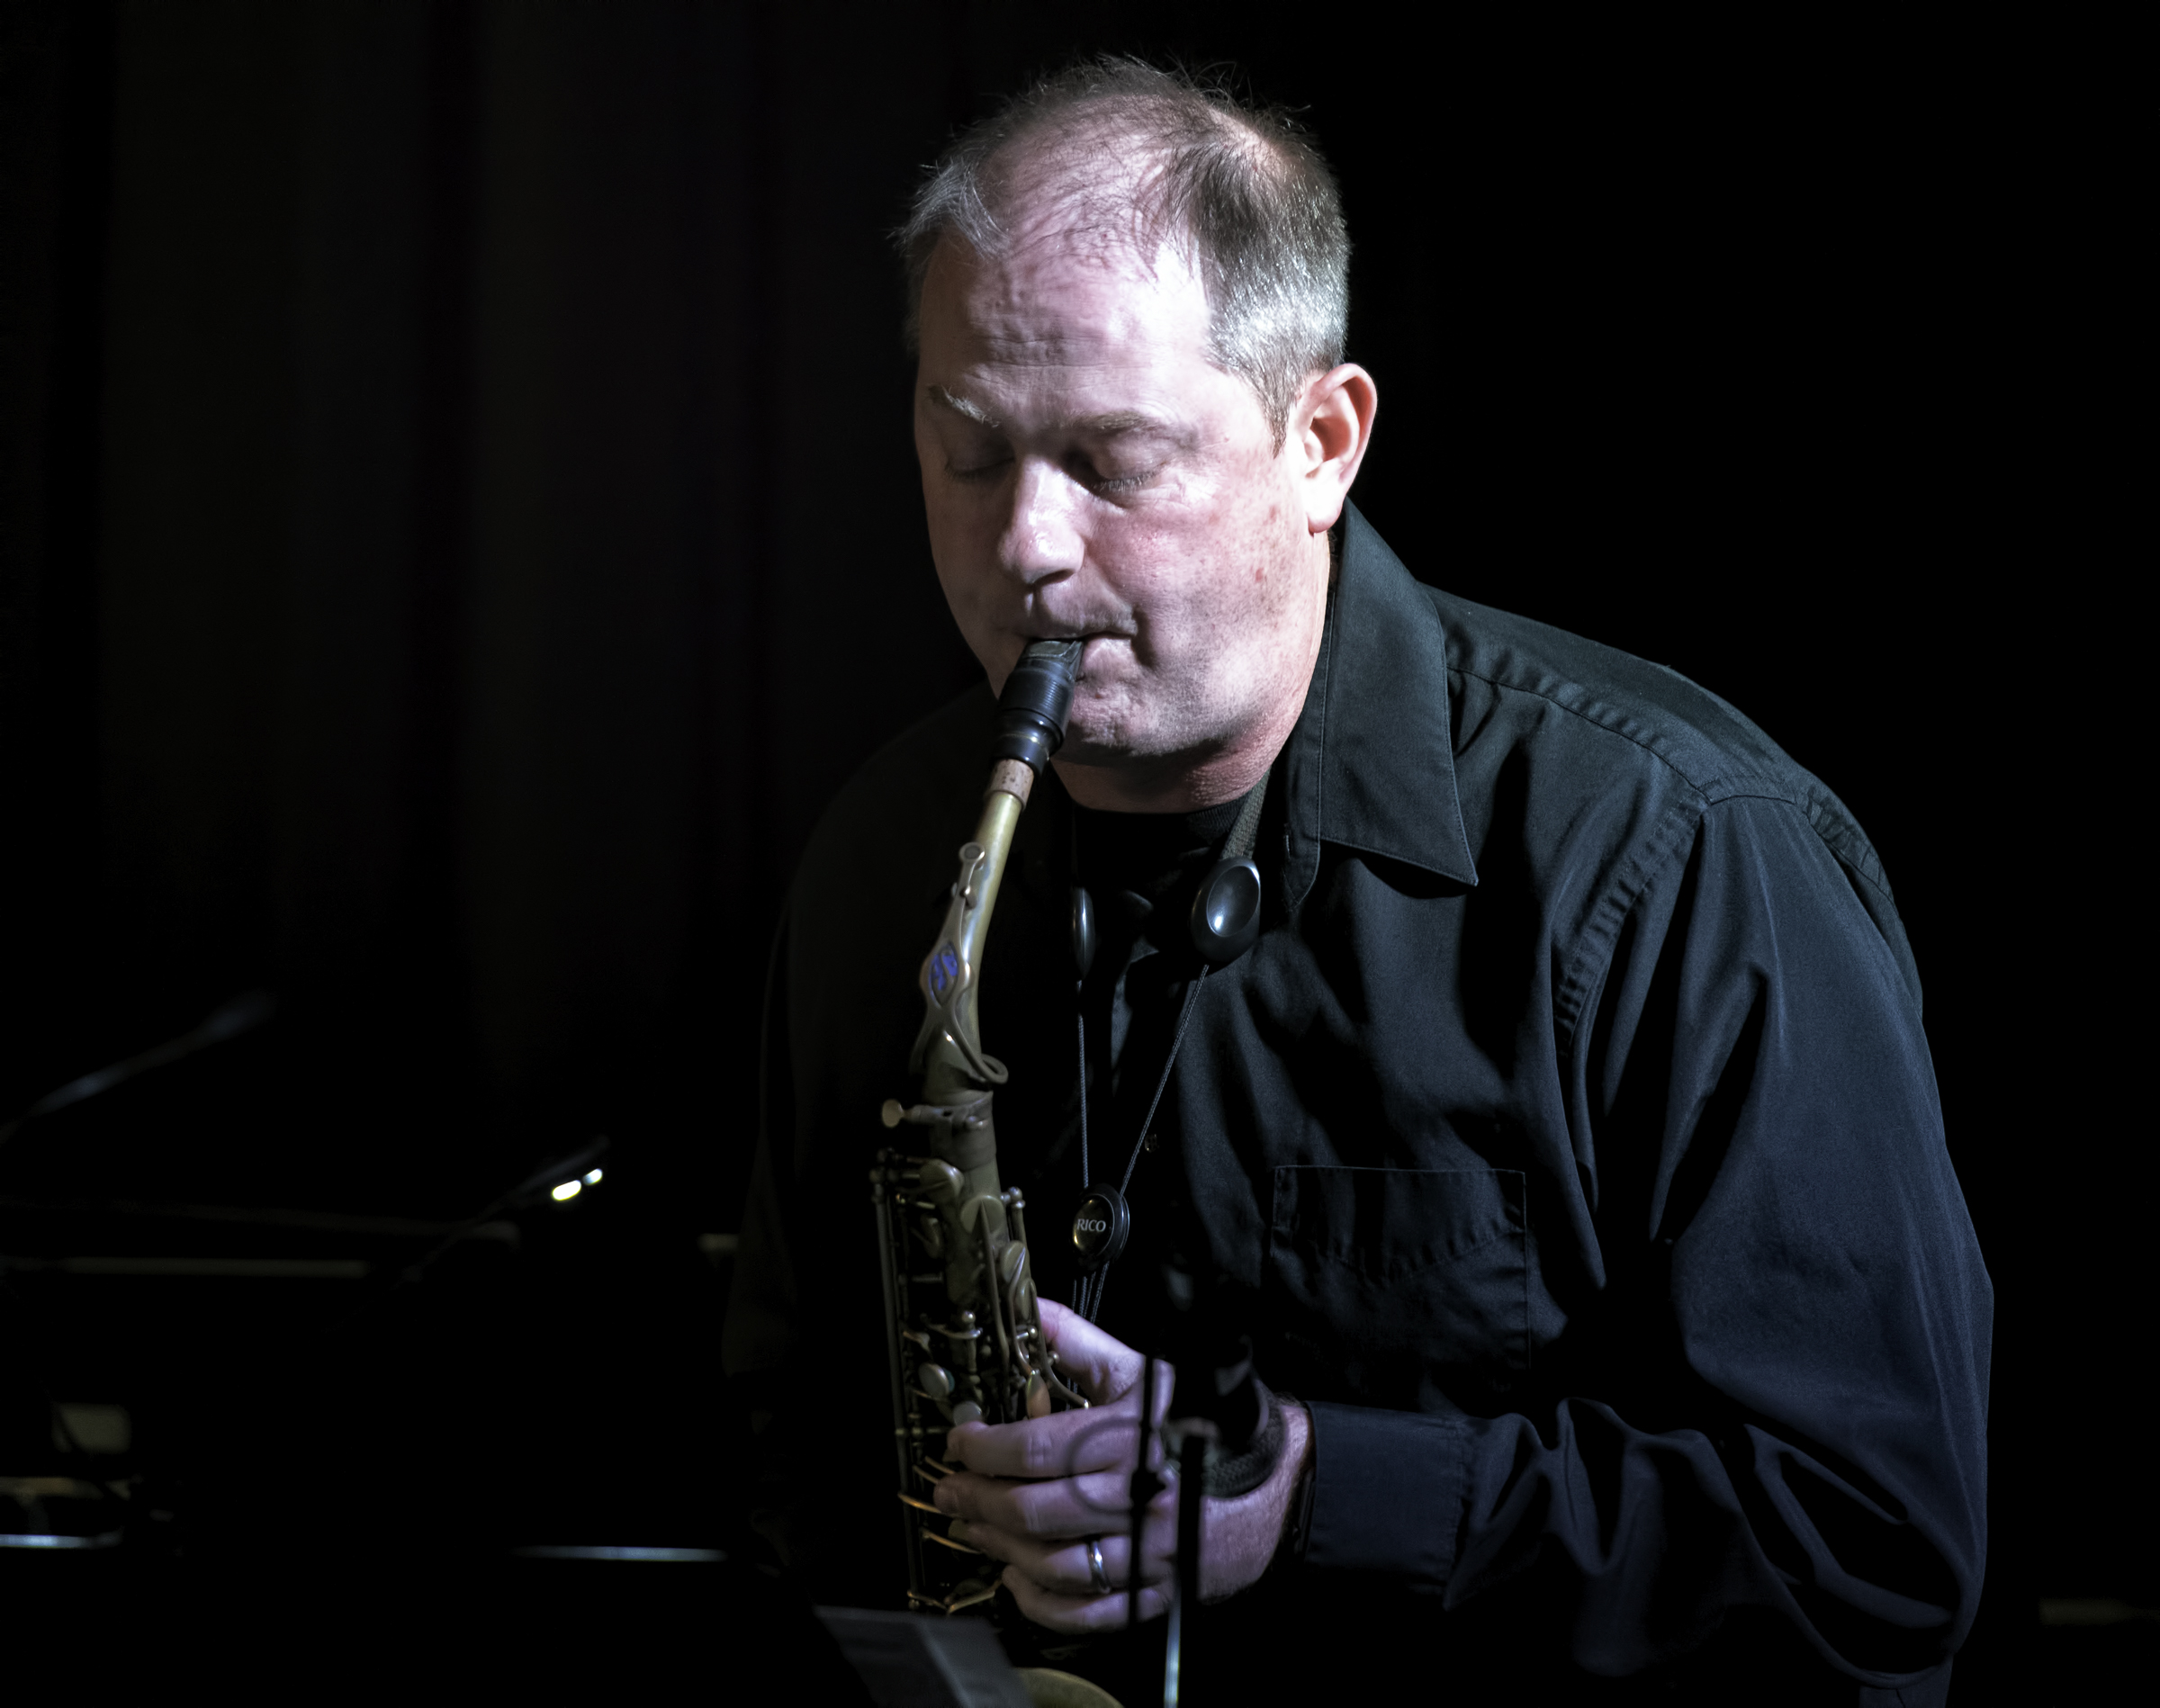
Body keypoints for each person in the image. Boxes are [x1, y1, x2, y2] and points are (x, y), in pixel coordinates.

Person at [723, 58, 1989, 1705]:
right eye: (970, 455)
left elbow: (1879, 1552)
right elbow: (790, 1448)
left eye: (1112, 459)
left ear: (1321, 441)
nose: (1026, 544)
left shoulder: (1682, 851)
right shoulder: (889, 858)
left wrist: (1311, 1495)